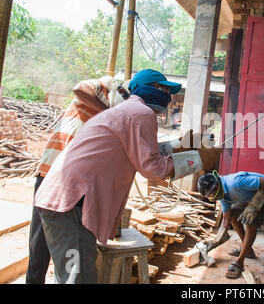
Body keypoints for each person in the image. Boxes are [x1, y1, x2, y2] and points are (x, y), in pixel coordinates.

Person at [33, 76, 222, 283]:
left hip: (65, 201)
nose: (168, 97)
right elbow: (153, 167)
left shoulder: (125, 112)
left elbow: (141, 151)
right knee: (78, 278)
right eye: (164, 90)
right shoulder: (141, 113)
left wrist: (181, 145)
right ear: (149, 89)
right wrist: (197, 160)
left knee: (72, 276)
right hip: (71, 204)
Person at [26, 75, 128, 284]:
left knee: (65, 253)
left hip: (73, 182)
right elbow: (79, 89)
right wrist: (107, 112)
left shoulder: (112, 119)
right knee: (39, 248)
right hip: (50, 172)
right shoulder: (101, 87)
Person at [197, 171, 264, 279]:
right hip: (255, 195)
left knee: (250, 221)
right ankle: (247, 250)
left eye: (212, 192)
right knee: (233, 214)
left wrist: (254, 206)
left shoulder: (234, 183)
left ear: (217, 183)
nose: (212, 195)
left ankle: (240, 261)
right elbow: (226, 218)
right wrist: (217, 240)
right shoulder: (222, 194)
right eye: (209, 195)